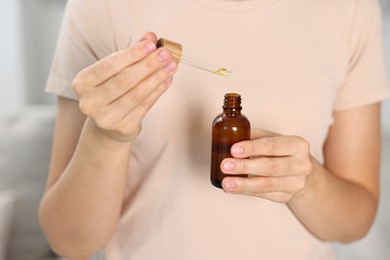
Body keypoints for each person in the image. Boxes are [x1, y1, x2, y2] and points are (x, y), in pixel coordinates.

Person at [39, 0, 390, 259]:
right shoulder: (101, 7)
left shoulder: (349, 9)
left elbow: (355, 223)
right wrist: (105, 137)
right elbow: (70, 243)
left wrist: (307, 182)